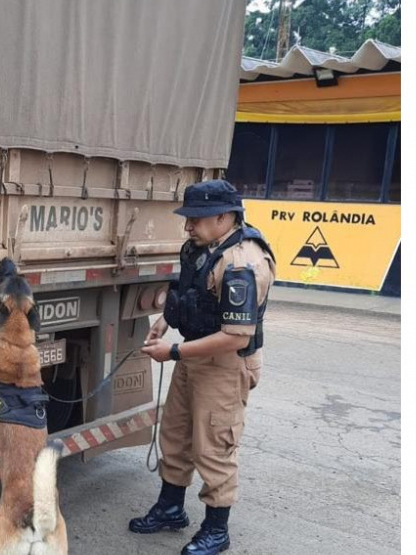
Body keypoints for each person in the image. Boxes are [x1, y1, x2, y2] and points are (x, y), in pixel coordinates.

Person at [132, 179, 276, 555]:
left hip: (224, 364)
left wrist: (175, 352)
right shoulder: (201, 246)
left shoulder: (244, 262)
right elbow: (188, 288)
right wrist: (165, 320)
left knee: (215, 446)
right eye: (188, 218)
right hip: (194, 354)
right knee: (176, 435)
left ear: (225, 217)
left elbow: (236, 337)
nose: (188, 226)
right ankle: (170, 508)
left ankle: (216, 529)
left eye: (196, 218)